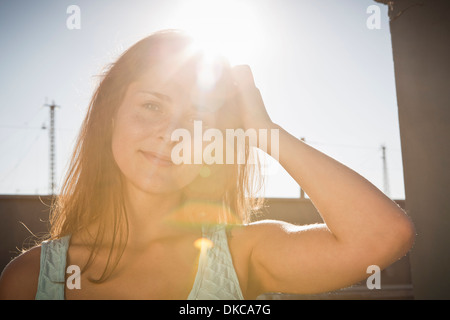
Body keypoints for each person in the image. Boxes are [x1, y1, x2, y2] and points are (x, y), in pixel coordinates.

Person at [0, 29, 415, 300]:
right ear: (110, 116)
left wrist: (263, 130)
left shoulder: (241, 255)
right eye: (151, 105)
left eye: (198, 119)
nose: (173, 133)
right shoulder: (30, 279)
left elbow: (384, 235)